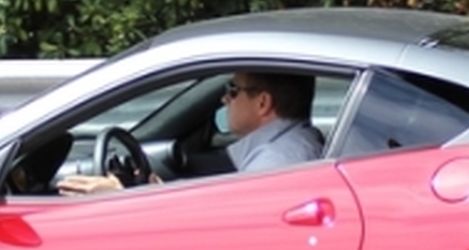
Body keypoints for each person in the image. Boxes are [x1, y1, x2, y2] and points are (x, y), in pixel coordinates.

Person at [60, 70, 323, 194]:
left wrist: (122, 198)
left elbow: (223, 230)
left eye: (233, 91)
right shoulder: (292, 145)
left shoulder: (276, 163)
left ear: (263, 103)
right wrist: (154, 192)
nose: (224, 100)